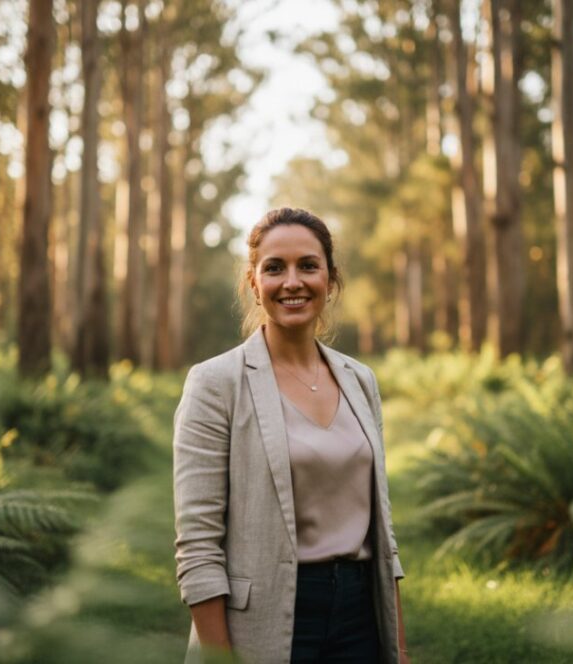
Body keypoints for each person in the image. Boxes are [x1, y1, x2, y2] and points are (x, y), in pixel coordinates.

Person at [173, 207, 410, 663]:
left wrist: (398, 648)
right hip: (264, 623)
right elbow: (198, 547)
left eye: (308, 265)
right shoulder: (215, 383)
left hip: (361, 619)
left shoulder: (361, 380)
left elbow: (383, 533)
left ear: (331, 279)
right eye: (275, 268)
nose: (293, 282)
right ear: (253, 283)